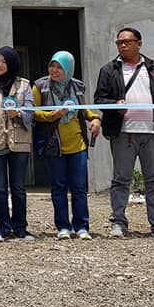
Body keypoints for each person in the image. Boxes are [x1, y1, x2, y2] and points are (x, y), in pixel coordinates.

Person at [94, 27, 154, 239]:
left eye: (127, 41)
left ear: (139, 43)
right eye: (119, 42)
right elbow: (99, 99)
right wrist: (115, 104)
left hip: (152, 133)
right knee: (121, 179)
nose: (123, 45)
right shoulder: (109, 70)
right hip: (123, 133)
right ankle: (118, 223)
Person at [33, 51, 101, 240]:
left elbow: (82, 108)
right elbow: (34, 113)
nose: (54, 70)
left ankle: (82, 227)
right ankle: (63, 226)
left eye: (59, 67)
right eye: (52, 66)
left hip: (78, 144)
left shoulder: (78, 86)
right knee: (59, 186)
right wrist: (53, 115)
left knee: (79, 187)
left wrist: (95, 118)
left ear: (68, 69)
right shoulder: (40, 86)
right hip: (54, 144)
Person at [0, 46, 35, 242]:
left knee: (18, 187)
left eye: (3, 61)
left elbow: (31, 110)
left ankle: (20, 227)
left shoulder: (24, 85)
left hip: (19, 142)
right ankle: (2, 226)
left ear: (12, 63)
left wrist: (19, 113)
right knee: (0, 187)